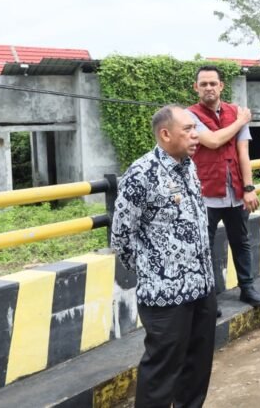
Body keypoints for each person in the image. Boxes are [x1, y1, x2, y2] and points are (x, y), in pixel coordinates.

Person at [111, 105, 217, 408]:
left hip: (201, 287)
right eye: (188, 129)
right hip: (164, 296)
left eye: (195, 128)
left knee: (197, 368)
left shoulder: (188, 166)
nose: (196, 135)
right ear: (166, 134)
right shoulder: (141, 173)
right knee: (162, 372)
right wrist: (153, 270)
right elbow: (121, 236)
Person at [188, 66, 260, 308]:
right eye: (204, 84)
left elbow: (244, 153)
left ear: (221, 86)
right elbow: (212, 141)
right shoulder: (189, 115)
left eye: (213, 83)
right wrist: (241, 121)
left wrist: (249, 187)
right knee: (204, 247)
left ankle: (247, 288)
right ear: (196, 88)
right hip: (205, 192)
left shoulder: (235, 111)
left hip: (234, 191)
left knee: (241, 240)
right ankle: (207, 299)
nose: (209, 88)